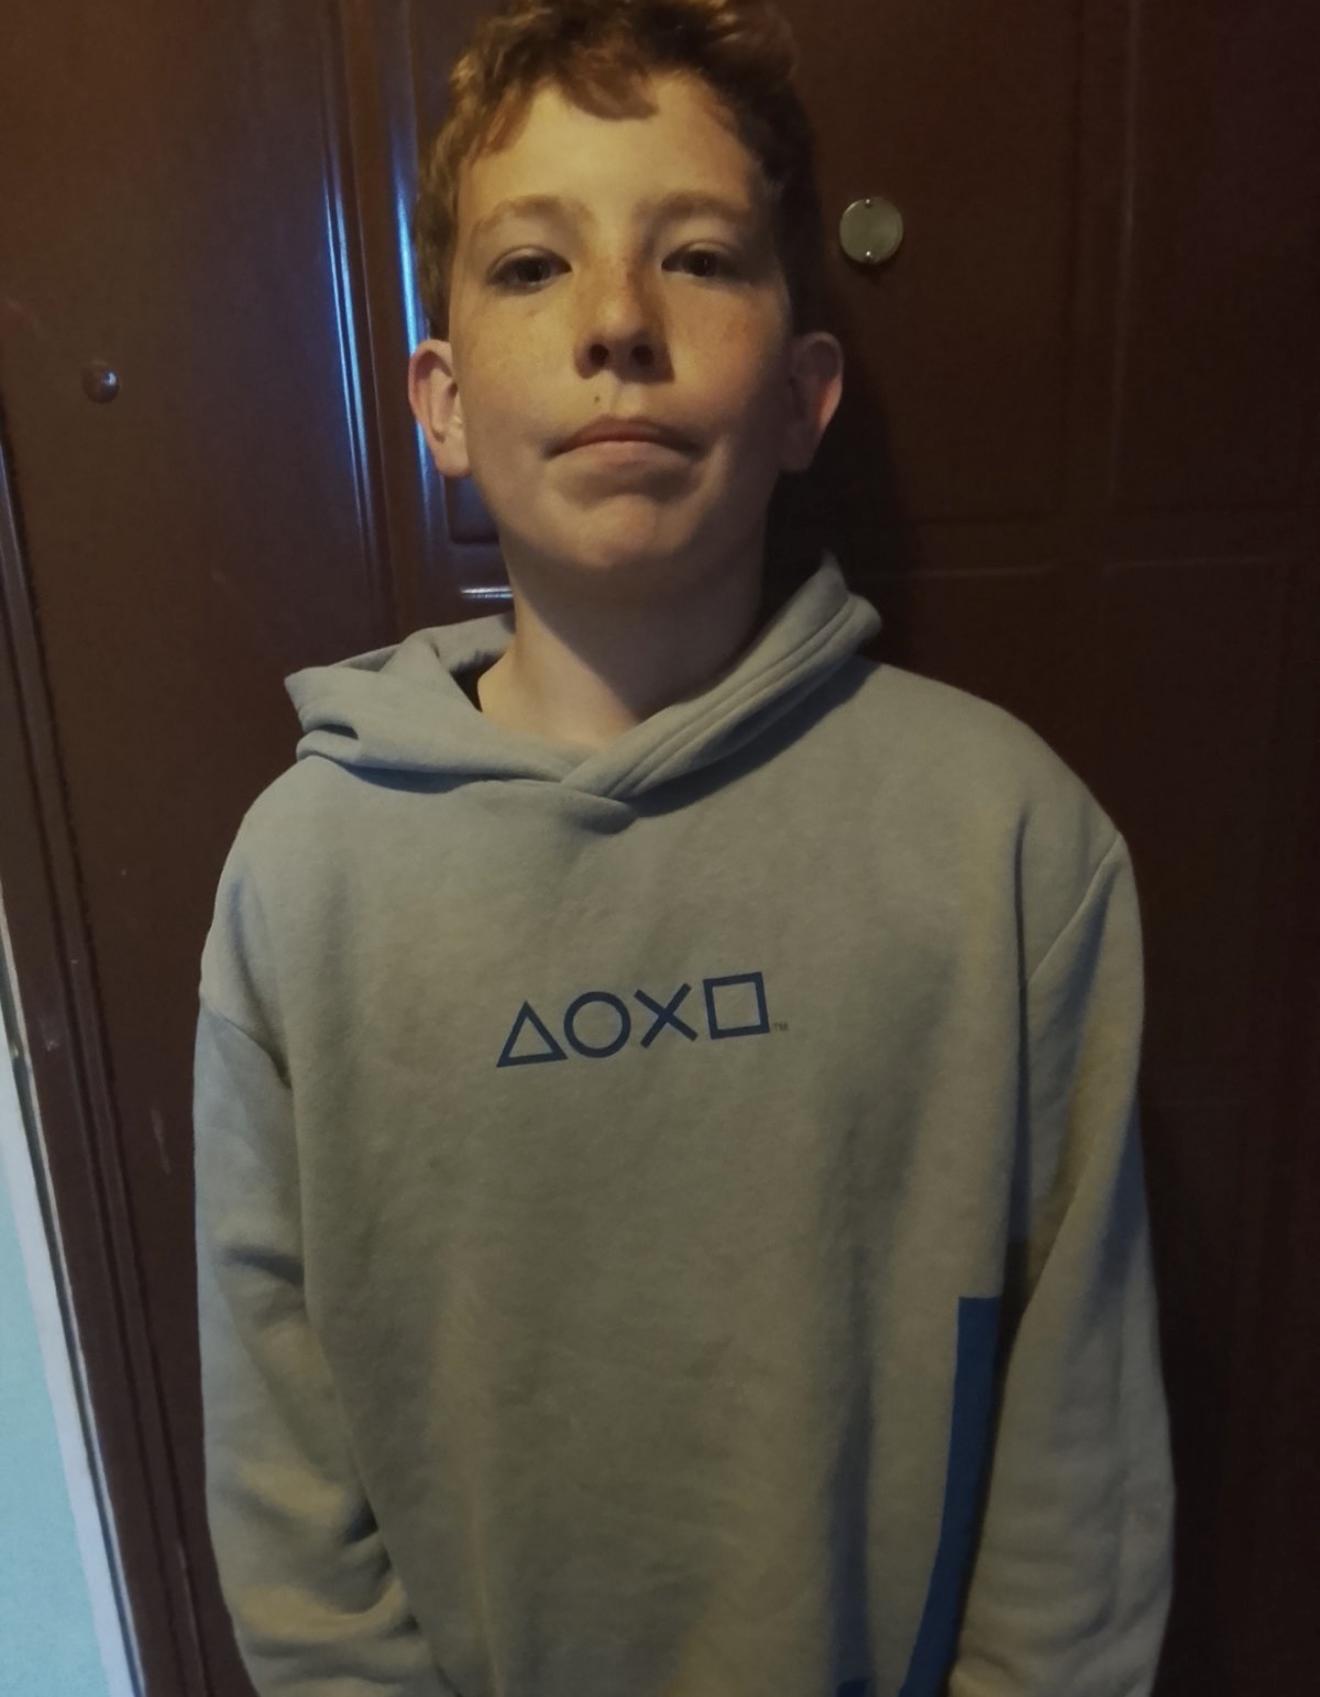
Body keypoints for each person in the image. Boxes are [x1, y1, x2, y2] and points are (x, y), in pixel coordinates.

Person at [192, 1, 1175, 1693]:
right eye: (530, 266)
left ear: (804, 393)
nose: (618, 323)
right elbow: (290, 1507)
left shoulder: (1007, 843)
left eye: (700, 256)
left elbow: (1074, 1478)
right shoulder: (303, 881)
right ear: (440, 401)